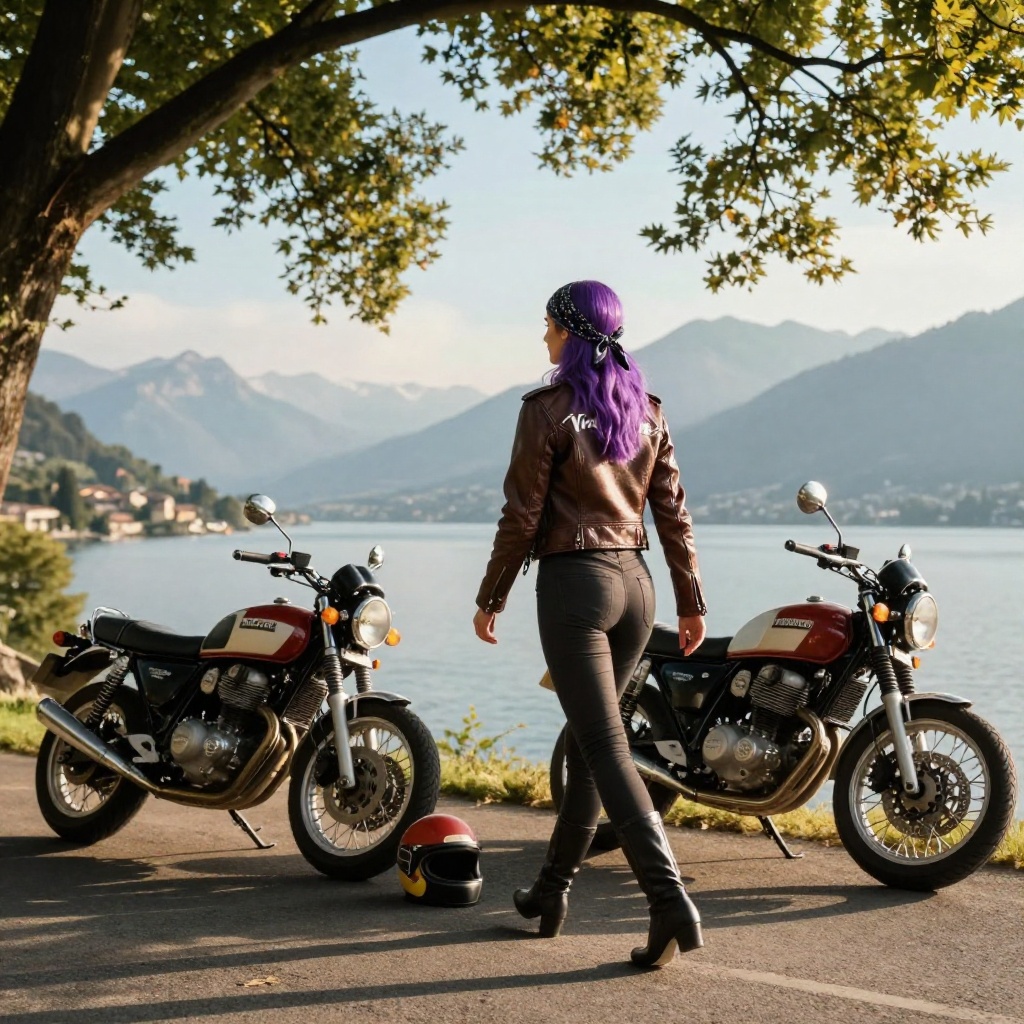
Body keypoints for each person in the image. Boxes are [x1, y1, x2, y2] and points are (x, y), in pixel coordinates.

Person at [472, 280, 708, 969]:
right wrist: (691, 601)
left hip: (576, 587)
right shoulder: (647, 410)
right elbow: (674, 514)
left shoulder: (545, 409)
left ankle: (668, 902)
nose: (542, 337)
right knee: (587, 746)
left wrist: (492, 594)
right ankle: (551, 891)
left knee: (604, 748)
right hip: (638, 589)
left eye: (548, 325)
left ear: (570, 332)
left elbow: (521, 515)